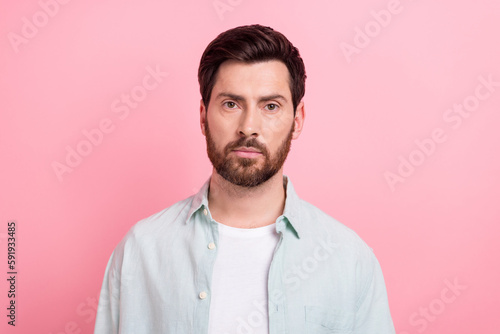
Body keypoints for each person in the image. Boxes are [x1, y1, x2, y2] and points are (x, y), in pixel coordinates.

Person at [94, 24, 396, 334]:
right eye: (231, 104)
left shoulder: (348, 258)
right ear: (202, 116)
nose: (248, 126)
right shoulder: (141, 251)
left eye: (270, 106)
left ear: (298, 120)